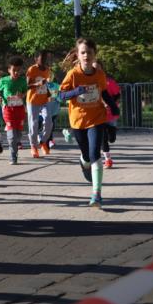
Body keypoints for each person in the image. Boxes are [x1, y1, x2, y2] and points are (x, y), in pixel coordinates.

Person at [59, 38, 118, 208]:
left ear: (94, 55)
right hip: (78, 121)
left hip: (97, 119)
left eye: (89, 53)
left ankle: (96, 194)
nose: (86, 55)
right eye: (83, 52)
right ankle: (84, 163)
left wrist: (113, 107)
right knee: (86, 156)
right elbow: (60, 95)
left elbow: (105, 92)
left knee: (95, 154)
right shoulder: (73, 74)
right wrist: (76, 91)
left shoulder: (99, 74)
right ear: (78, 55)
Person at [0, 57, 29, 165]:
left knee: (18, 134)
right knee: (12, 135)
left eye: (18, 70)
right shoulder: (4, 80)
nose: (16, 72)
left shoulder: (22, 81)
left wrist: (23, 95)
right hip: (8, 110)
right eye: (14, 70)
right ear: (9, 70)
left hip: (19, 109)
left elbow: (26, 91)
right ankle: (13, 155)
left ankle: (15, 146)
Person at [25, 50, 54, 158]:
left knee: (49, 122)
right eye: (42, 58)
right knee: (33, 124)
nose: (44, 61)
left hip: (44, 100)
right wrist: (38, 83)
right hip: (32, 101)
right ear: (36, 59)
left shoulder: (47, 70)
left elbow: (45, 85)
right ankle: (33, 147)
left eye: (46, 58)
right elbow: (26, 86)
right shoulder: (32, 69)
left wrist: (49, 94)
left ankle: (42, 142)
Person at [96, 60, 120, 169]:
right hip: (99, 115)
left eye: (98, 68)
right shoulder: (91, 83)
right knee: (103, 138)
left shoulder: (109, 82)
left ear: (102, 69)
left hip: (111, 114)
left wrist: (109, 102)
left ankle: (113, 133)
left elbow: (117, 94)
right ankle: (107, 159)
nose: (96, 70)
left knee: (111, 138)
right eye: (94, 68)